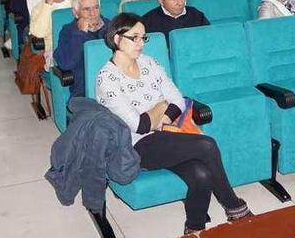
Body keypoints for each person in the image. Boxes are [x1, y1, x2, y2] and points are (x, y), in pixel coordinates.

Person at [96, 14, 251, 235]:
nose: (141, 43)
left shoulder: (149, 63)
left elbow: (177, 99)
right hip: (136, 147)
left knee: (202, 175)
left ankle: (194, 229)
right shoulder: (107, 79)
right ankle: (235, 207)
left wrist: (162, 117)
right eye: (135, 38)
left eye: (143, 38)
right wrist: (159, 107)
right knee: (207, 145)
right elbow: (139, 126)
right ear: (117, 39)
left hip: (166, 135)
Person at [54, 0, 110, 97]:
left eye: (96, 7)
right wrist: (80, 34)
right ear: (75, 13)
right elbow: (66, 64)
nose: (93, 13)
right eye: (86, 9)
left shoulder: (112, 27)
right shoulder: (68, 32)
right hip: (85, 91)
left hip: (114, 86)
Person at [29, 0, 73, 69]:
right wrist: (48, 6)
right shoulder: (39, 9)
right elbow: (38, 33)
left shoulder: (75, 1)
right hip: (54, 49)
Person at [142, 0, 210, 41]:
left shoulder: (196, 15)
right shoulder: (147, 21)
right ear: (161, 1)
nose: (180, 3)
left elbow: (209, 38)